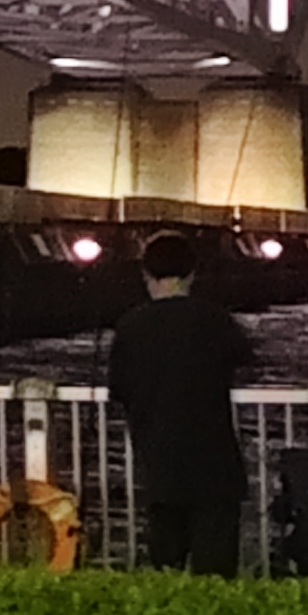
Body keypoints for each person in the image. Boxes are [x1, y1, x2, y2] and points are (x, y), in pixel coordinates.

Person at [105, 230, 244, 574]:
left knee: (166, 571)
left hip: (161, 466)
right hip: (216, 466)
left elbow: (119, 387)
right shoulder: (216, 319)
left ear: (145, 274)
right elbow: (243, 362)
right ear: (192, 273)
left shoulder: (130, 326)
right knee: (216, 576)